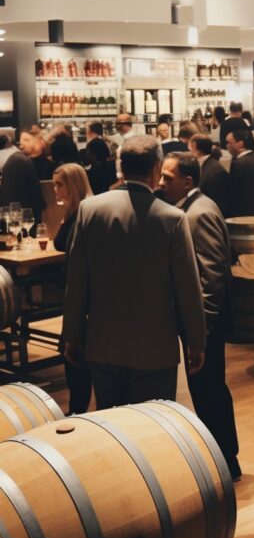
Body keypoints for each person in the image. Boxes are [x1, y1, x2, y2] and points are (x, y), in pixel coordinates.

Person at [63, 135, 206, 408]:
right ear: (156, 168)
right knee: (152, 423)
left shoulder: (89, 209)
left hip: (102, 342)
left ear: (121, 166)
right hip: (156, 347)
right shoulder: (172, 218)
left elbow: (77, 280)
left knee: (111, 422)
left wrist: (71, 335)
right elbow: (188, 288)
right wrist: (197, 342)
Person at [159, 152, 241, 481]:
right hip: (201, 322)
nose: (161, 183)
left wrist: (201, 330)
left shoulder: (199, 212)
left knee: (210, 392)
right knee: (206, 391)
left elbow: (212, 275)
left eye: (168, 178)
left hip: (207, 323)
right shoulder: (191, 208)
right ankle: (222, 460)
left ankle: (226, 462)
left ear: (188, 181)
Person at [53, 163, 94, 414]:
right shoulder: (73, 210)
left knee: (75, 357)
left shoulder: (84, 212)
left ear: (73, 184)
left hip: (84, 298)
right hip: (75, 293)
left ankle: (78, 413)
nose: (55, 189)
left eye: (60, 184)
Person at [226, 128, 254, 216]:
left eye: (229, 143)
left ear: (240, 144)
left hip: (242, 213)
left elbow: (232, 192)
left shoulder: (237, 164)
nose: (227, 146)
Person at [0, 147, 45, 227]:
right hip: (30, 216)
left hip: (11, 217)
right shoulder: (22, 160)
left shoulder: (15, 160)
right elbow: (38, 198)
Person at [189, 133, 231, 217]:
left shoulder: (215, 171)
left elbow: (218, 203)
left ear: (197, 151)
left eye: (190, 149)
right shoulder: (205, 165)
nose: (189, 152)